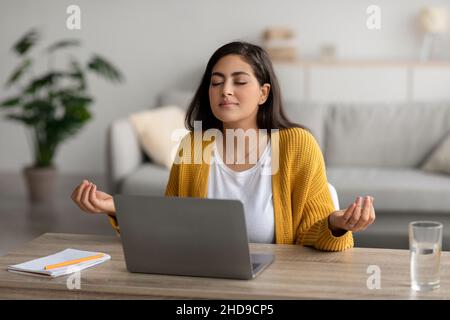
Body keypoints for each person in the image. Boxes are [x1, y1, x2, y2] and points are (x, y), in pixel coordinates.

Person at [71, 41, 375, 251]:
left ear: (263, 93)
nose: (225, 91)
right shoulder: (195, 145)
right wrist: (116, 208)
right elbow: (171, 223)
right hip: (203, 281)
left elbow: (313, 235)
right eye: (216, 82)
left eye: (239, 81)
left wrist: (336, 224)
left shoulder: (297, 145)